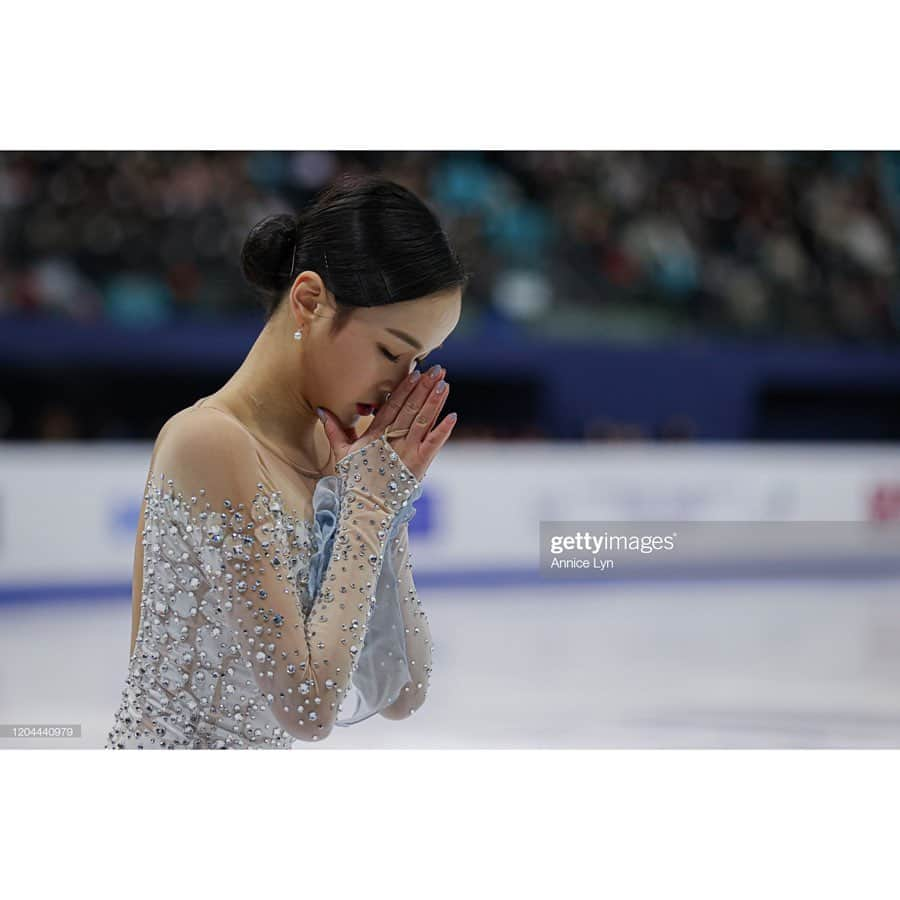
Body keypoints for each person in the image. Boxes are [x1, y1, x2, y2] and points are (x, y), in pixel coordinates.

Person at [106, 175, 467, 748]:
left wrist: (383, 503)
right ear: (309, 300)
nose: (402, 382)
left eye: (419, 359)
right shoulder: (209, 442)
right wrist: (368, 507)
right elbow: (308, 707)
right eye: (391, 351)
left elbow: (401, 690)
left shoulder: (338, 455)